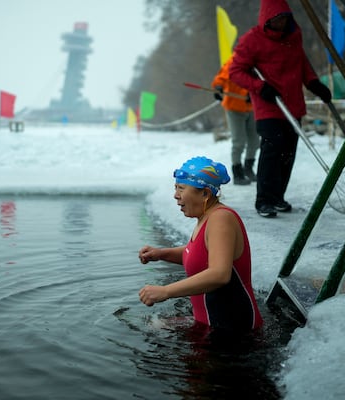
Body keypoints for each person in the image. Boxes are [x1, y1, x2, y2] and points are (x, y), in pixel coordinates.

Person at [229, 0, 333, 218]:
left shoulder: (294, 36)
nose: (282, 23)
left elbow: (301, 63)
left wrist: (314, 83)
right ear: (267, 20)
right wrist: (259, 86)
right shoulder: (252, 40)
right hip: (269, 105)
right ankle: (263, 200)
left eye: (285, 18)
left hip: (293, 105)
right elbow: (235, 71)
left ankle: (277, 197)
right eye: (277, 19)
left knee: (288, 153)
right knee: (272, 150)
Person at [138, 156, 263, 333]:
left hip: (233, 333)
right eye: (175, 188)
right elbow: (200, 255)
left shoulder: (221, 219)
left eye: (181, 188)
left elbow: (220, 274)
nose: (175, 195)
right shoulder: (207, 217)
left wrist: (165, 291)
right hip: (211, 324)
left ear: (205, 193)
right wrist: (161, 254)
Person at [211, 55, 259, 186]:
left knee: (255, 141)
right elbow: (220, 78)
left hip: (252, 107)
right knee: (239, 142)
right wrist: (219, 86)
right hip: (234, 107)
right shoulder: (233, 62)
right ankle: (237, 173)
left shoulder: (258, 61)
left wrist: (254, 93)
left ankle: (248, 169)